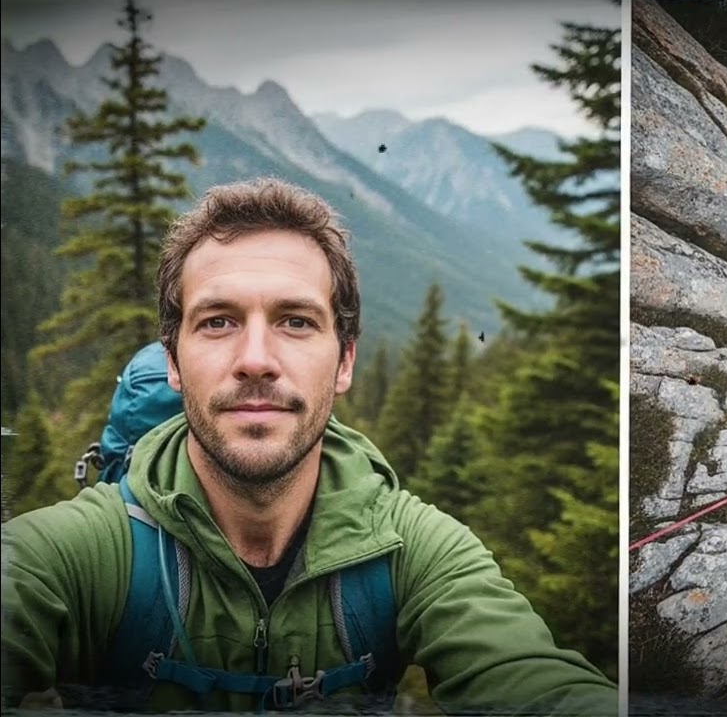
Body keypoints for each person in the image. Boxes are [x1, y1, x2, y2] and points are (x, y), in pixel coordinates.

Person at [0, 178, 618, 715]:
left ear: (344, 361)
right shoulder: (76, 553)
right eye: (217, 321)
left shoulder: (414, 555)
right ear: (173, 363)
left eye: (296, 321)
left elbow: (538, 681)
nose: (256, 361)